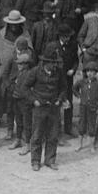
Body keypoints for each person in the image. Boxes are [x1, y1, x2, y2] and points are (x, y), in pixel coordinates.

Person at [24, 43, 68, 171]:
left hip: (54, 108)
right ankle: (36, 161)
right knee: (37, 135)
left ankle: (50, 160)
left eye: (56, 63)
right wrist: (34, 100)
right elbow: (25, 88)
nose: (55, 65)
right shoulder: (35, 71)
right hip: (39, 108)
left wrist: (60, 100)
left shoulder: (59, 73)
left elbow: (64, 88)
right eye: (52, 63)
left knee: (53, 135)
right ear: (45, 62)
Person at [73, 60, 98, 152]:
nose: (90, 73)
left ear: (96, 73)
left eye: (92, 72)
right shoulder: (82, 82)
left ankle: (91, 146)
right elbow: (74, 88)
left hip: (93, 107)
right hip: (83, 106)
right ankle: (79, 144)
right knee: (81, 124)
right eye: (88, 71)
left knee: (92, 125)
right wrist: (79, 96)